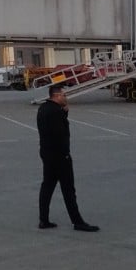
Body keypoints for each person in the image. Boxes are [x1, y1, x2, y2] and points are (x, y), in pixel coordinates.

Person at [36, 85, 99, 232]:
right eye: (64, 95)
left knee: (47, 186)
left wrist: (64, 114)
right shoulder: (56, 112)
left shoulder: (43, 108)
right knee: (68, 189)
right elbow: (60, 133)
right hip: (59, 156)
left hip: (47, 153)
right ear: (57, 96)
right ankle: (77, 221)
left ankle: (43, 219)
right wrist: (65, 153)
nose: (66, 97)